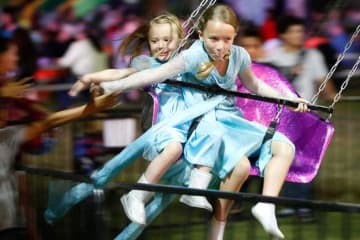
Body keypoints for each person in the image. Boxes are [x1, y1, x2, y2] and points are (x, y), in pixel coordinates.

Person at [70, 5, 309, 239]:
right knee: (239, 166)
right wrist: (111, 85)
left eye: (227, 39)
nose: (221, 46)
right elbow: (150, 74)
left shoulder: (239, 55)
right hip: (207, 122)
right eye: (214, 38)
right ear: (200, 34)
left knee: (284, 147)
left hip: (231, 119)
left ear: (235, 35)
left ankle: (266, 205)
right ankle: (190, 198)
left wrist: (288, 98)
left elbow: (254, 85)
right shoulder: (193, 55)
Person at [0, 36, 118, 235]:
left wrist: (92, 108)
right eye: (13, 53)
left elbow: (50, 121)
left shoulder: (8, 136)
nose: (6, 114)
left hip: (10, 226)